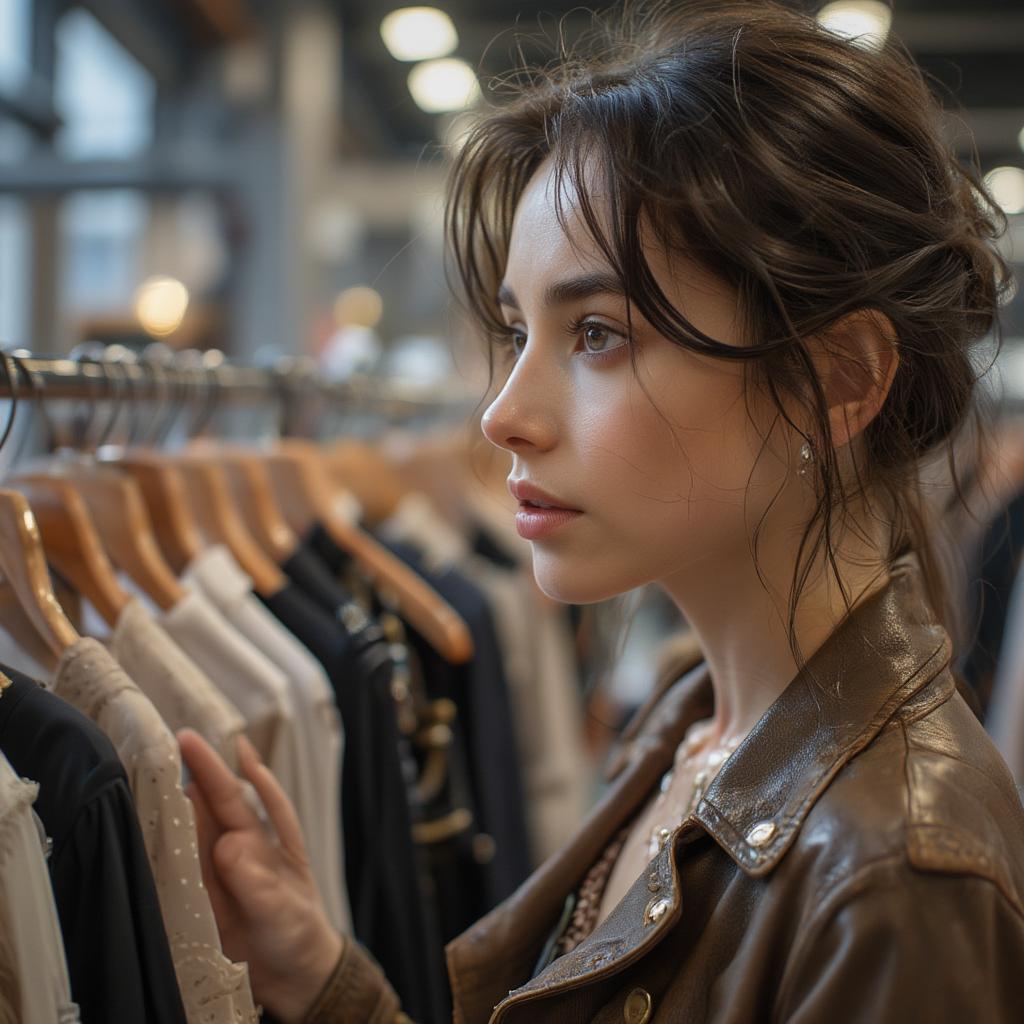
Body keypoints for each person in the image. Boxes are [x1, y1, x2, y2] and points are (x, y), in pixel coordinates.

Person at [178, 2, 1024, 1021]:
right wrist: (325, 980)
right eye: (514, 329)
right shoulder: (692, 722)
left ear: (837, 380)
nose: (502, 415)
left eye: (594, 333)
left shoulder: (896, 874)